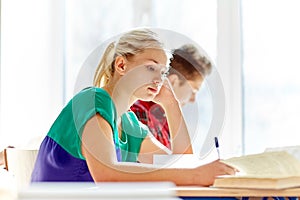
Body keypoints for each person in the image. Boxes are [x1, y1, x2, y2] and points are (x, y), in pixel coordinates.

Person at [31, 28, 236, 186]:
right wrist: (196, 176)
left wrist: (171, 105)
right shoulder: (92, 100)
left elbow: (179, 162)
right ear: (121, 66)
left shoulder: (130, 124)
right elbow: (107, 176)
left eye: (163, 72)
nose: (159, 79)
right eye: (150, 67)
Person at [131, 44, 212, 155]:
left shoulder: (164, 121)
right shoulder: (138, 115)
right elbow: (178, 164)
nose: (193, 100)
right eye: (193, 91)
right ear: (173, 81)